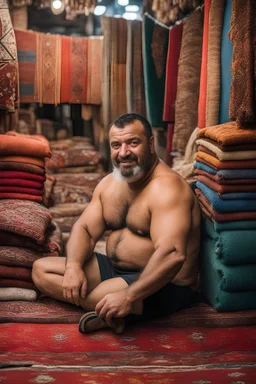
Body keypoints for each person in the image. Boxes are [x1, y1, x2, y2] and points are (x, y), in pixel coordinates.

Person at [32, 113, 201, 334]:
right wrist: (74, 267)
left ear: (150, 144)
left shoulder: (167, 189)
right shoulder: (109, 184)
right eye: (116, 145)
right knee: (40, 271)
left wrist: (128, 295)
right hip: (115, 269)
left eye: (133, 143)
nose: (123, 153)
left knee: (97, 294)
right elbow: (84, 229)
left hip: (164, 283)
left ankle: (116, 308)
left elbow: (172, 254)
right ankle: (112, 313)